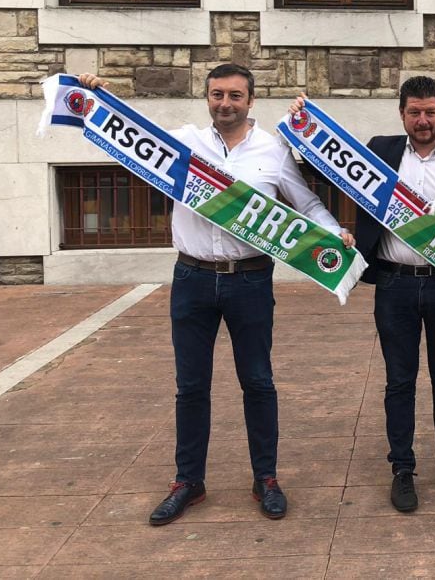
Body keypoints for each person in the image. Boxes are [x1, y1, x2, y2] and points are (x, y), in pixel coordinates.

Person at [78, 66, 354, 525]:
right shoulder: (185, 142)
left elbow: (305, 204)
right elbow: (127, 137)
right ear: (207, 98)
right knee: (190, 387)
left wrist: (332, 231)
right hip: (193, 279)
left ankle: (265, 478)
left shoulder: (272, 150)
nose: (225, 103)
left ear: (251, 100)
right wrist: (98, 98)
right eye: (217, 94)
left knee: (259, 382)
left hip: (250, 279)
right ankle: (189, 481)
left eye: (235, 95)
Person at [293, 76, 435, 513]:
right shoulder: (381, 150)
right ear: (402, 114)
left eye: (431, 112)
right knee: (399, 381)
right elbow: (322, 168)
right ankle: (402, 469)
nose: (423, 120)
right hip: (393, 284)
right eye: (414, 112)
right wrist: (303, 126)